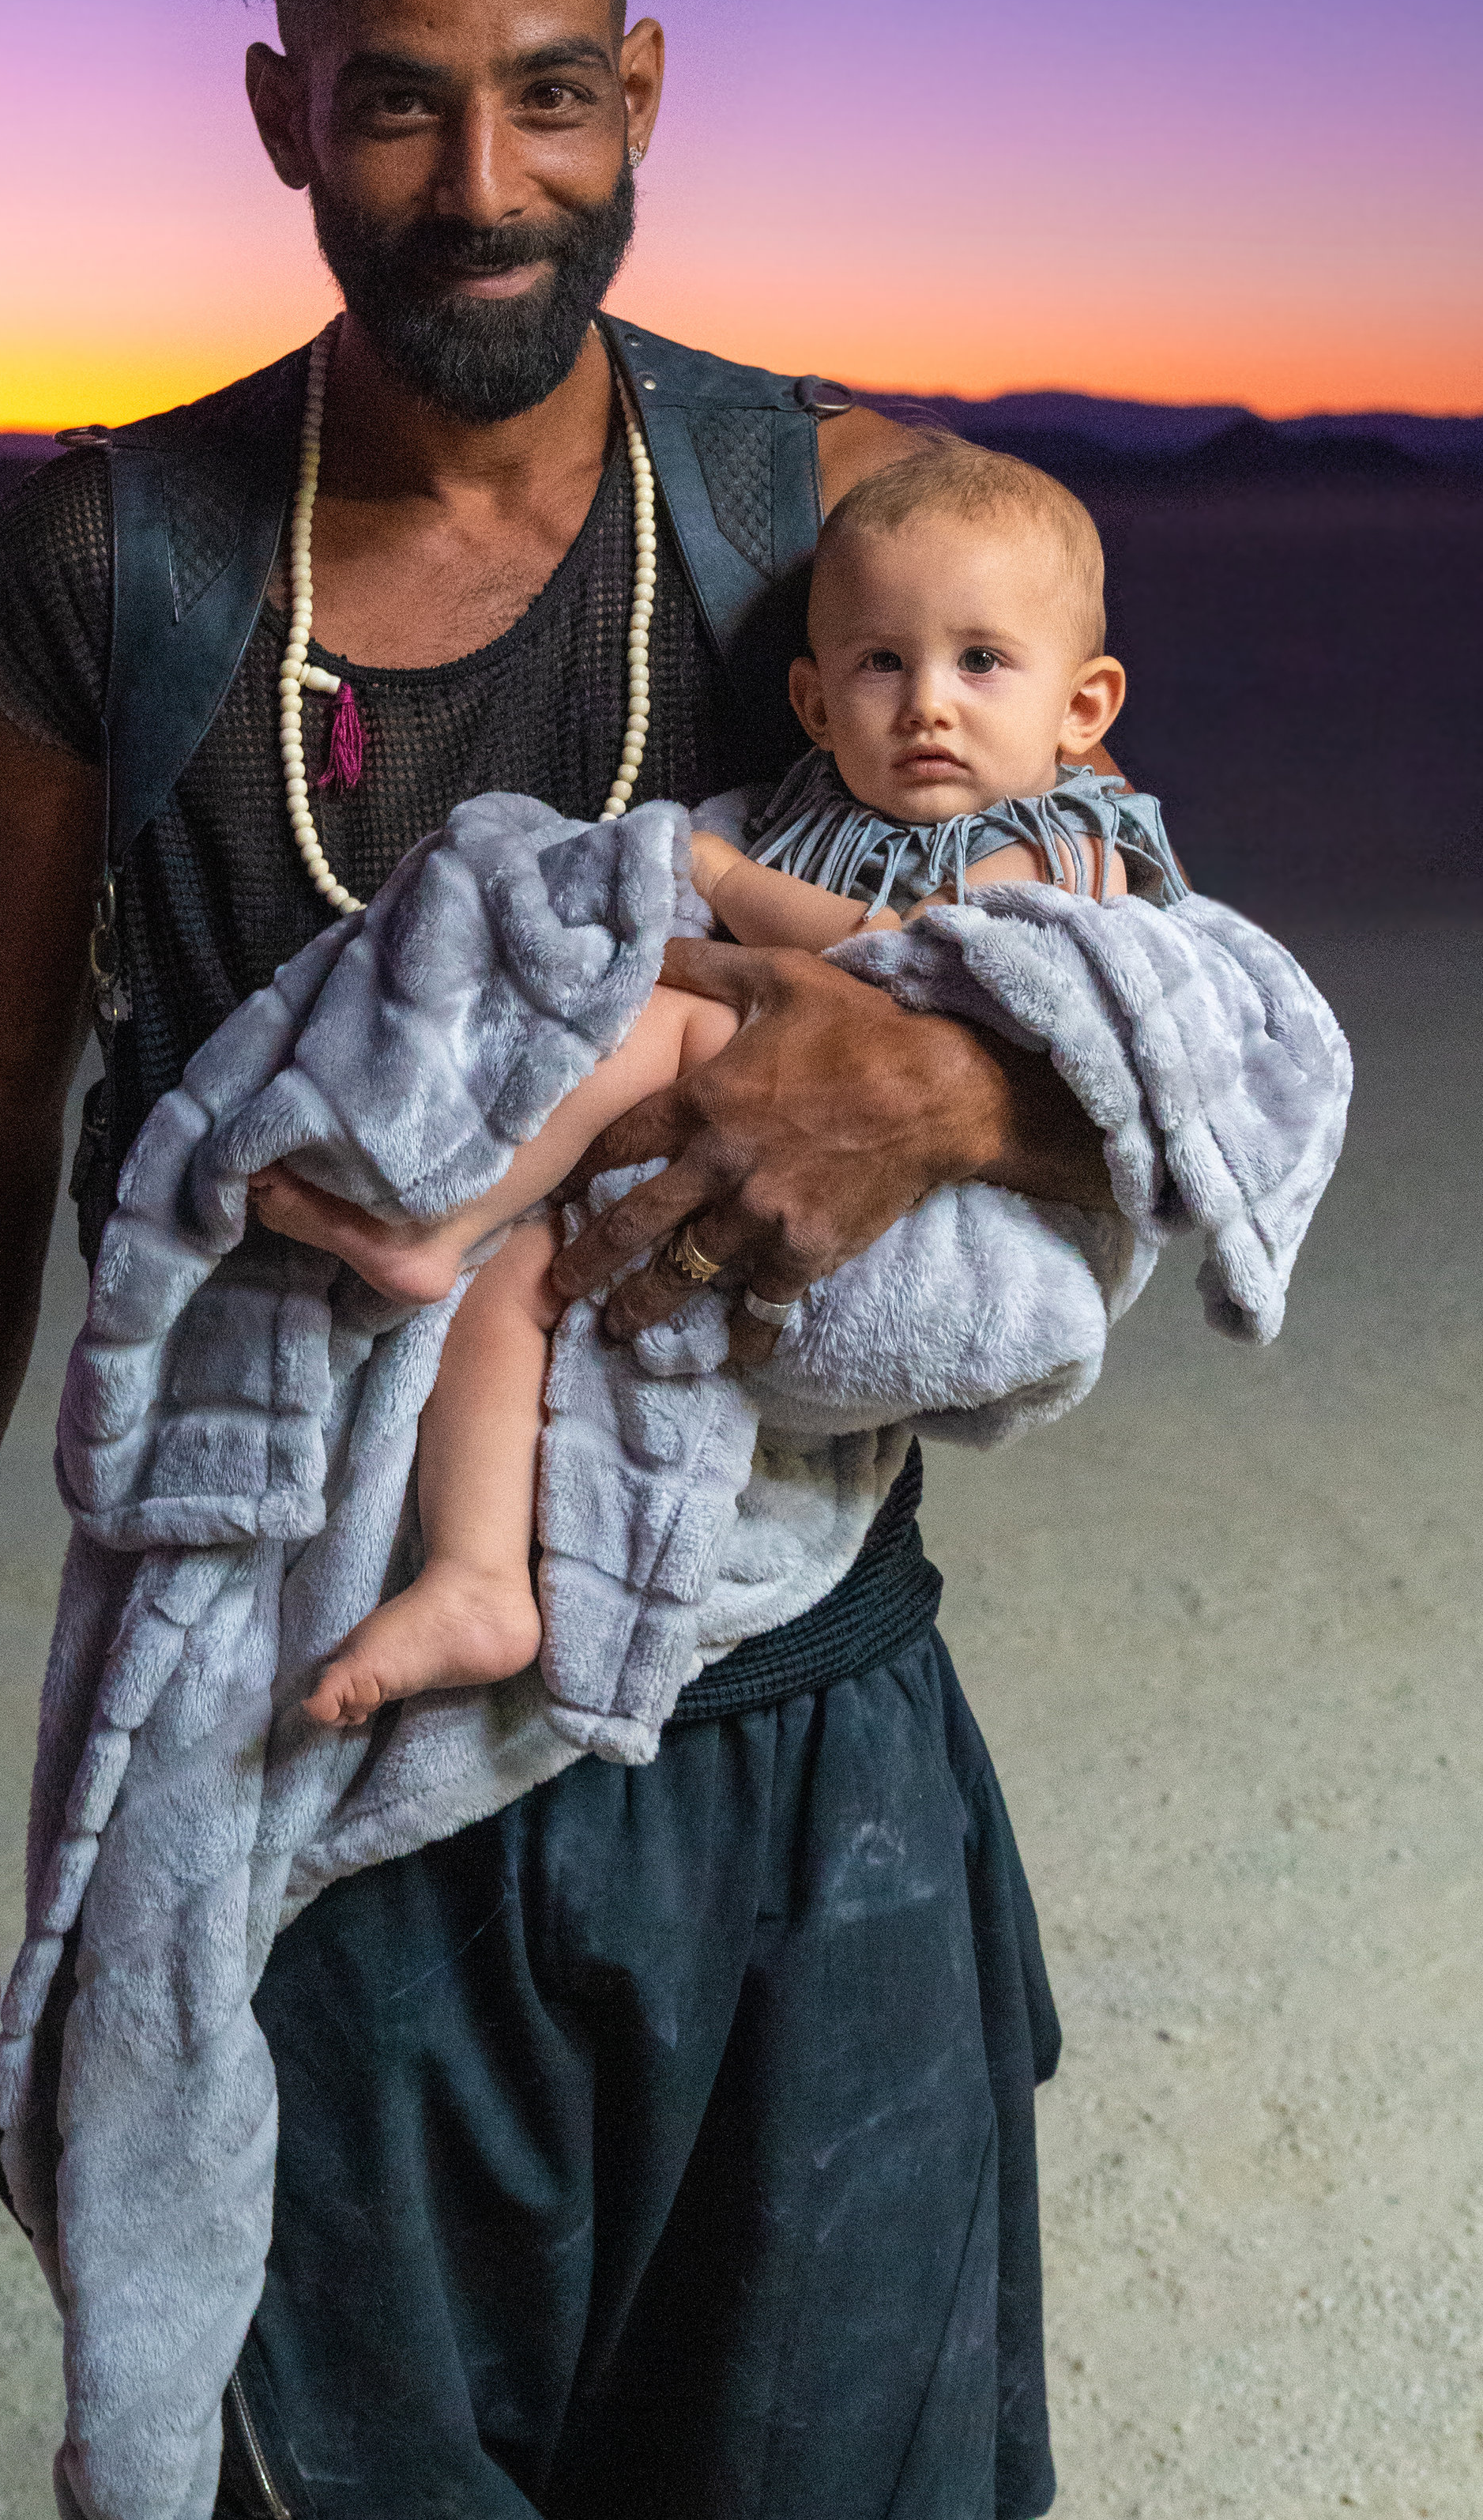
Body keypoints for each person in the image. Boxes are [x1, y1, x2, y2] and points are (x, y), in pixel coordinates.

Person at [0, 0, 1332, 2520]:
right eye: (399, 108)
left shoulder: (833, 518)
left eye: (547, 97)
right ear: (286, 109)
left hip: (798, 1721)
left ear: (639, 93)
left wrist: (945, 1074)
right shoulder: (114, 571)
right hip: (313, 1747)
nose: (486, 186)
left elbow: (1145, 971)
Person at [250, 435, 1184, 1734]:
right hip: (754, 1184)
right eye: (881, 663)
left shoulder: (1060, 844)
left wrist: (726, 886)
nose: (928, 703)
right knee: (524, 1280)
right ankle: (479, 1578)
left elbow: (900, 952)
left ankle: (437, 1214)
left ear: (1082, 711)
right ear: (812, 703)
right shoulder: (819, 809)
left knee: (666, 1011)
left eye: (981, 663)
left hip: (923, 1232)